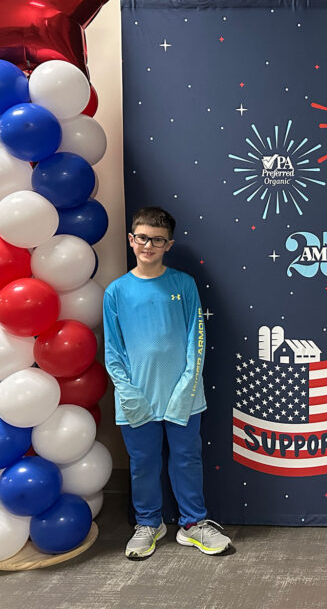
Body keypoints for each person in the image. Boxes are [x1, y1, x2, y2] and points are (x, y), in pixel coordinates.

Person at [103, 206, 231, 559]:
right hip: (136, 397)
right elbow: (113, 349)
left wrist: (186, 388)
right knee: (143, 462)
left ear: (168, 244)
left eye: (157, 240)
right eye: (142, 238)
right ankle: (148, 523)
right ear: (132, 240)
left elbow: (197, 340)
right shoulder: (116, 291)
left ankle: (193, 525)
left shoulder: (183, 284)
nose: (149, 245)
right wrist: (128, 392)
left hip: (184, 396)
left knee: (187, 458)